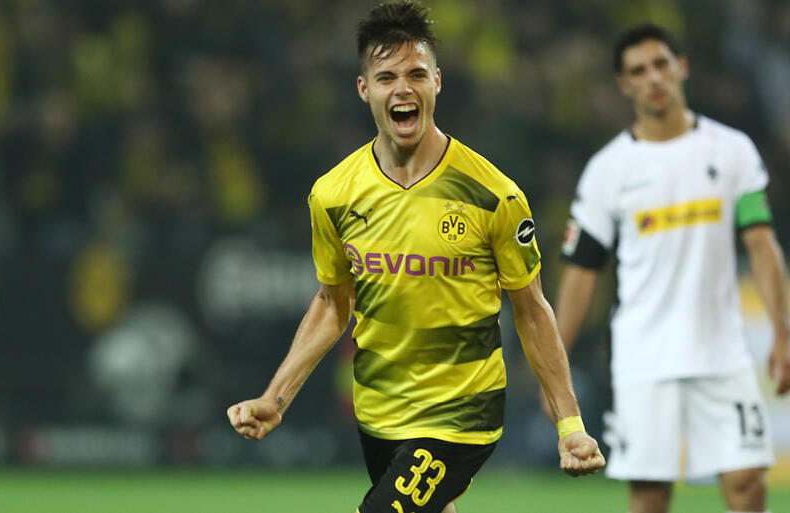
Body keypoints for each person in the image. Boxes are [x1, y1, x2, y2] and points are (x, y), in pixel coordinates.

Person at [227, 2, 605, 512]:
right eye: (386, 77)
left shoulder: (493, 194)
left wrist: (570, 424)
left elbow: (532, 310)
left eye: (416, 74)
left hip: (463, 412)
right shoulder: (333, 195)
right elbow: (332, 302)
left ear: (437, 83)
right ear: (364, 89)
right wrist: (276, 398)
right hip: (379, 411)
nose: (402, 89)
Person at [553, 23, 790, 513]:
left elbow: (762, 244)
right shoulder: (608, 170)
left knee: (747, 482)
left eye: (661, 64)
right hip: (644, 357)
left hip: (721, 352)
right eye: (639, 71)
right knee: (649, 495)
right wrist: (556, 369)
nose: (653, 78)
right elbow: (581, 271)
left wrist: (783, 333)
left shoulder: (731, 150)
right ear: (624, 84)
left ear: (682, 67)